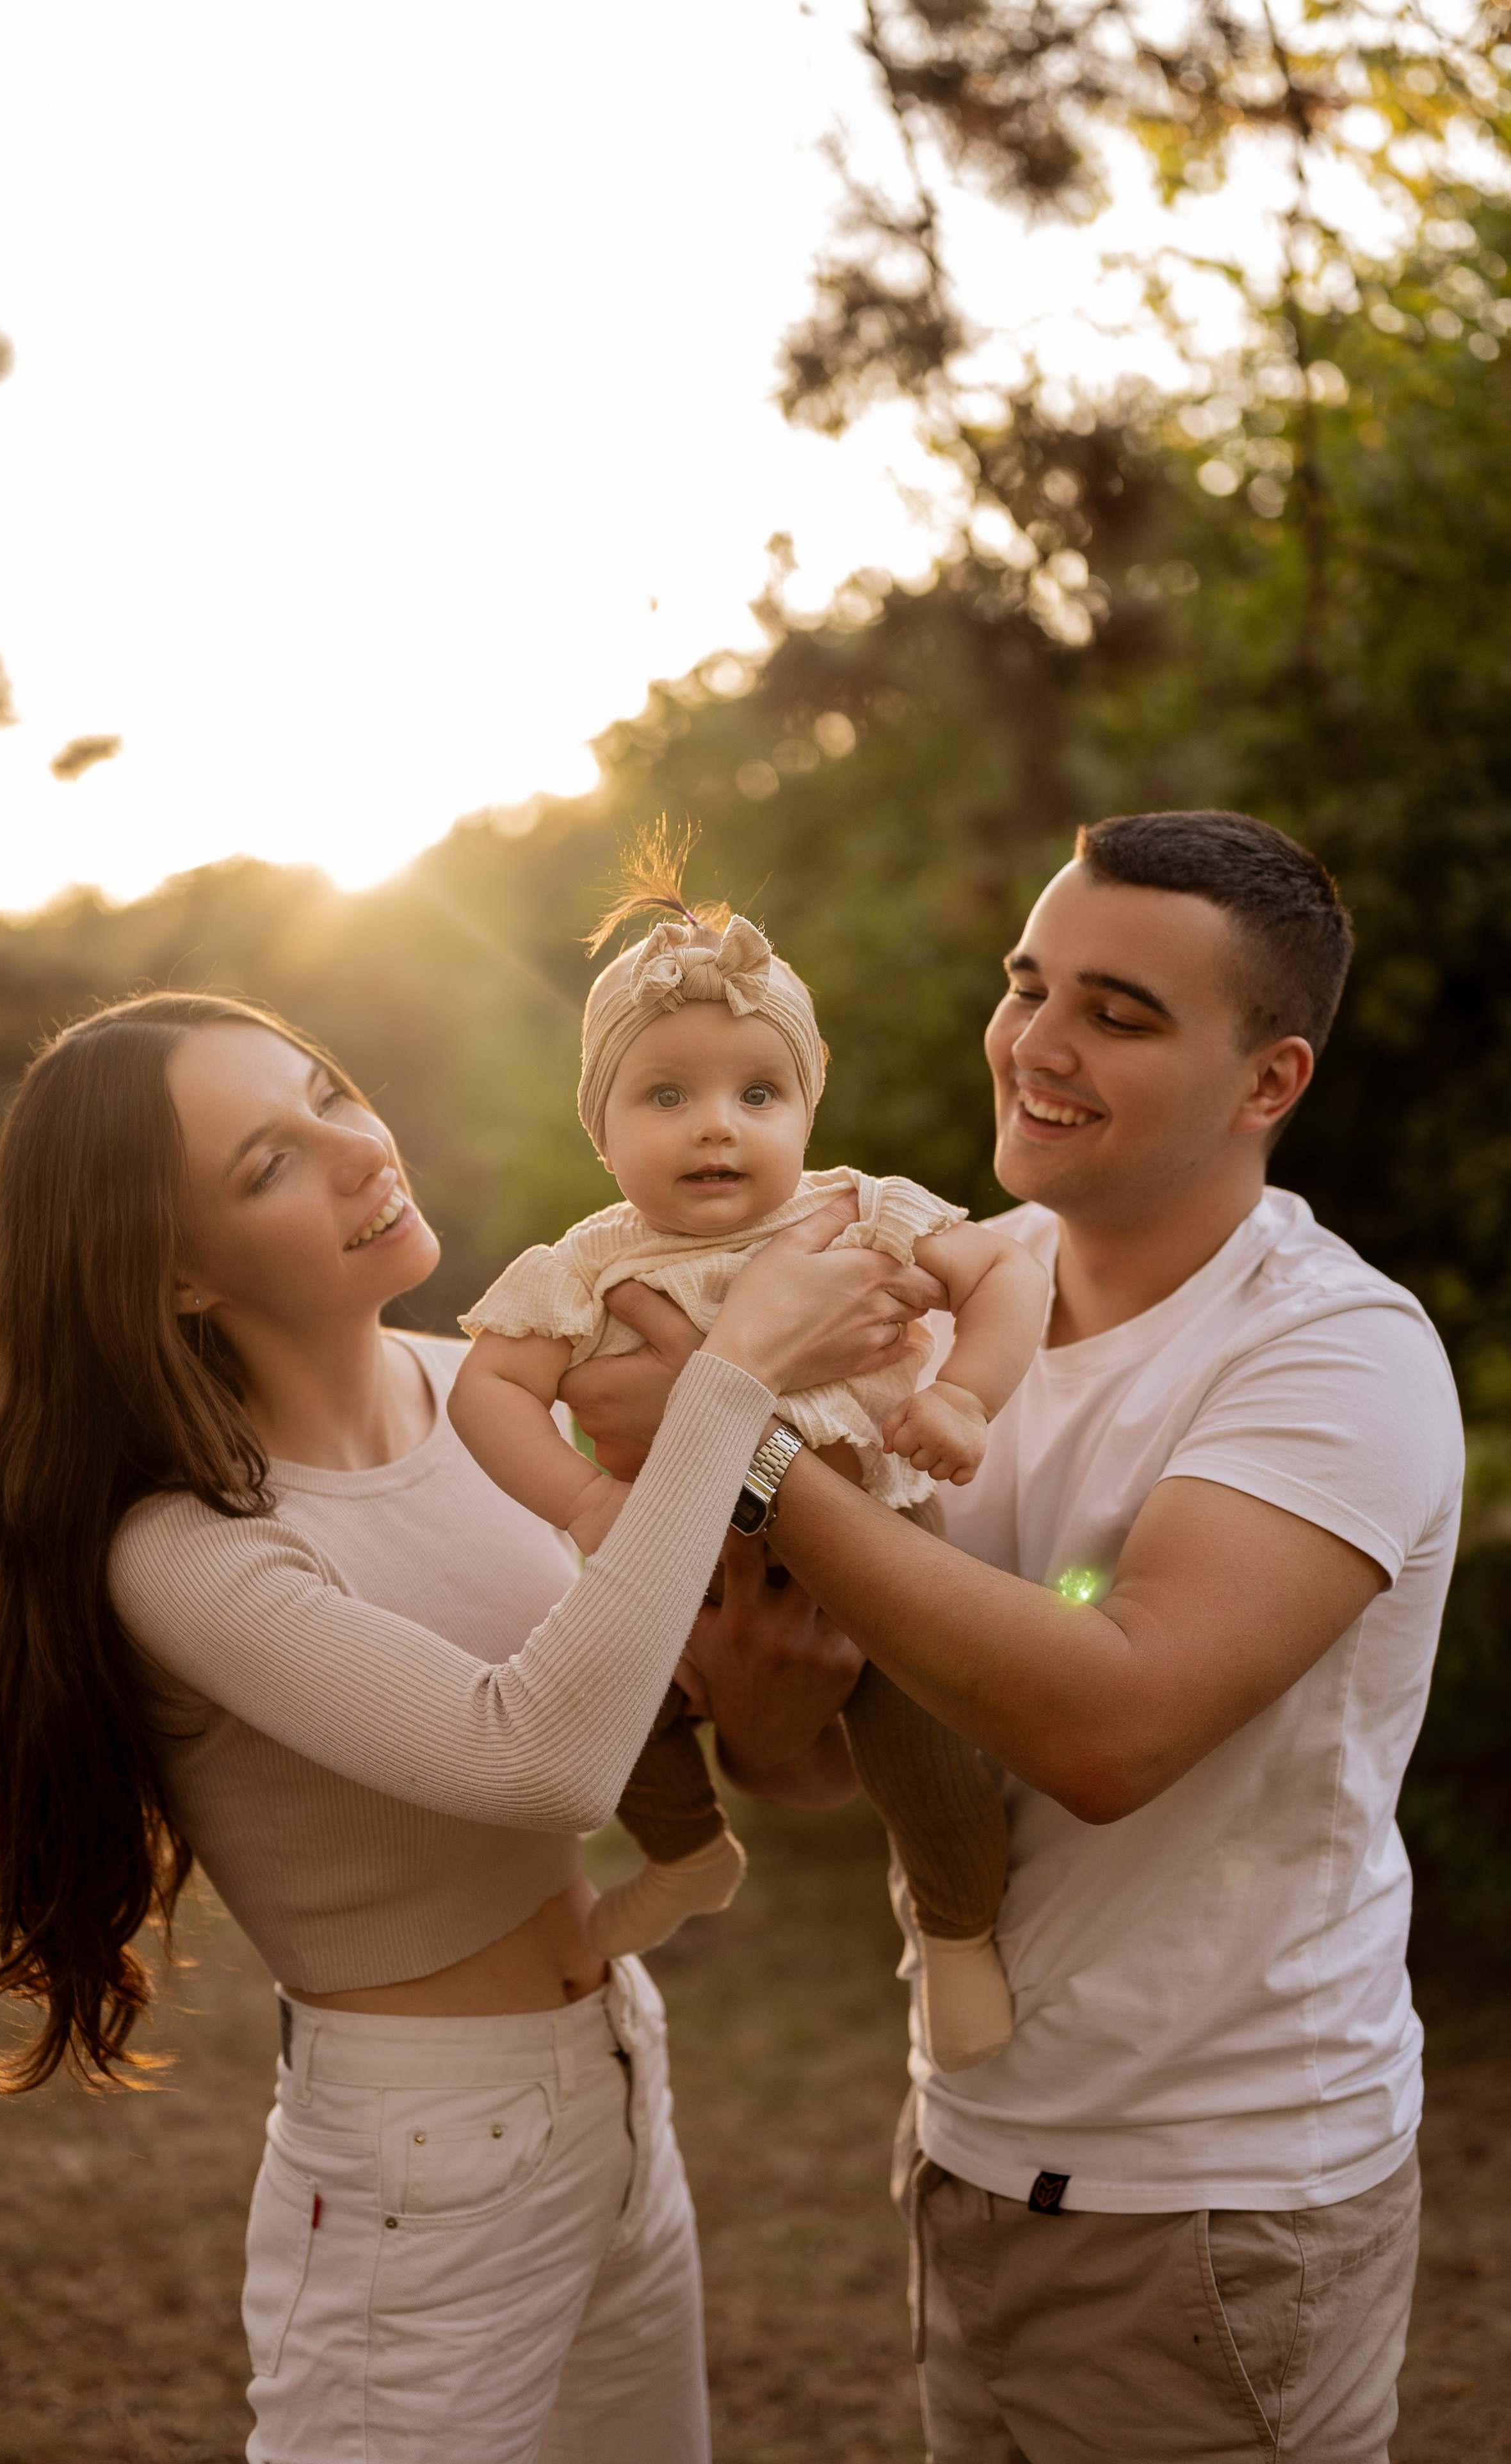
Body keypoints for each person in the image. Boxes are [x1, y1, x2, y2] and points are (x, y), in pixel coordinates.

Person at [562, 810, 1464, 2464]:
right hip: (970, 2148)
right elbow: (865, 1754)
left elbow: (1106, 1730)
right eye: (1027, 983)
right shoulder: (950, 1291)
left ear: (1269, 1083)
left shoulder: (1338, 1358)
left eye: (1117, 1014)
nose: (1037, 1045)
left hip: (1216, 2198)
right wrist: (765, 1730)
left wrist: (729, 1429)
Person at [0, 989, 937, 2464]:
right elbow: (531, 1756)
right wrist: (732, 1380)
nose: (358, 1153)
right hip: (419, 2152)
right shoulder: (182, 1549)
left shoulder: (476, 1393)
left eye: (332, 1091)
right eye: (267, 1165)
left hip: (611, 2069)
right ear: (172, 1276)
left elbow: (699, 1725)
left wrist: (765, 1716)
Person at [448, 845, 1047, 2071]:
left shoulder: (859, 1210)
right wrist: (581, 1499)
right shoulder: (588, 1264)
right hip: (668, 1551)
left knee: (928, 1743)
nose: (717, 1125)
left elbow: (1006, 1273)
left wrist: (970, 1399)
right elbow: (488, 1389)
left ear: (809, 1108)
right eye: (665, 1097)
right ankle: (685, 1856)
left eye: (757, 1094)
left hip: (872, 1530)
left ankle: (956, 1929)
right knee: (596, 1704)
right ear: (603, 1133)